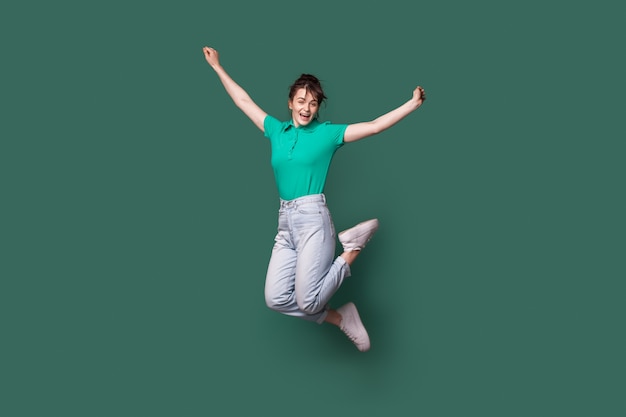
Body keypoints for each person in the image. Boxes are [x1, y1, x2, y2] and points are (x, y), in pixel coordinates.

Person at [203, 46, 426, 352]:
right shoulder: (276, 130)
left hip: (312, 220)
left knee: (308, 302)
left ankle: (352, 248)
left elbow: (374, 126)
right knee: (276, 298)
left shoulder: (327, 134)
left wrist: (411, 105)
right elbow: (243, 100)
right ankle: (340, 317)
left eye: (313, 103)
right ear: (290, 103)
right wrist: (218, 67)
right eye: (301, 101)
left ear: (318, 107)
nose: (307, 108)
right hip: (285, 224)